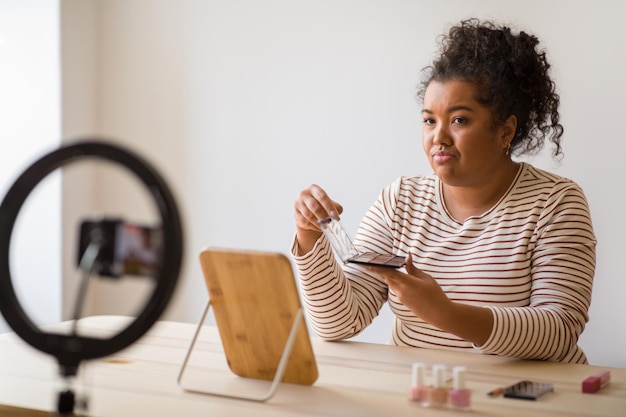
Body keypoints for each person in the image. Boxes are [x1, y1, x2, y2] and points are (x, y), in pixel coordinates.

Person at [291, 18, 596, 364]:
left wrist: (446, 314)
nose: (439, 137)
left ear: (505, 130)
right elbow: (338, 323)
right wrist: (308, 236)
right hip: (423, 396)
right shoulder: (400, 200)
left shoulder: (556, 203)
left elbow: (560, 329)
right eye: (429, 120)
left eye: (459, 120)